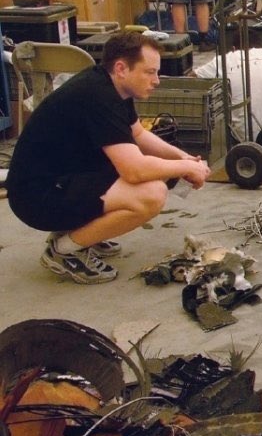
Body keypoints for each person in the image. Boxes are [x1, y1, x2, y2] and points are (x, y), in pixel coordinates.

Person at [6, 32, 211, 285]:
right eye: (150, 72)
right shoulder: (98, 96)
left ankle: (87, 233)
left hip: (62, 177)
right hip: (36, 197)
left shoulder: (111, 86)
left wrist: (186, 158)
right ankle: (64, 250)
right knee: (151, 194)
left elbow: (137, 135)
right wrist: (183, 168)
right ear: (121, 68)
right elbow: (134, 171)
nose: (156, 80)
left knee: (157, 171)